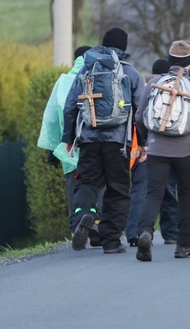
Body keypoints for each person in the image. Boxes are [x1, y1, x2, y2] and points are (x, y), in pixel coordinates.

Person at [62, 28, 146, 253]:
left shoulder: (86, 70)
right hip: (119, 142)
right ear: (124, 47)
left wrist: (69, 138)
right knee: (118, 189)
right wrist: (143, 143)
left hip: (88, 139)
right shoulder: (130, 72)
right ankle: (111, 241)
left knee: (88, 182)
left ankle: (86, 214)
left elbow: (70, 106)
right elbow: (140, 112)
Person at [134, 40, 190, 261]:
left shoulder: (154, 83)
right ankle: (184, 244)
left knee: (153, 194)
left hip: (157, 150)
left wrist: (144, 141)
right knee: (187, 194)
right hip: (186, 152)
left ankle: (145, 232)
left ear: (169, 60)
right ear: (189, 62)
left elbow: (140, 116)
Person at [37, 45, 92, 231]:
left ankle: (76, 224)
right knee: (95, 185)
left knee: (73, 184)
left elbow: (51, 118)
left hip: (69, 147)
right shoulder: (97, 78)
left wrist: (52, 149)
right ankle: (94, 220)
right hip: (95, 144)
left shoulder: (63, 82)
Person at [125, 58, 179, 247]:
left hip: (146, 149)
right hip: (170, 148)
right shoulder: (175, 89)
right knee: (169, 191)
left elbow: (138, 117)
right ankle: (171, 233)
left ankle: (134, 232)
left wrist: (142, 143)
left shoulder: (145, 89)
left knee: (142, 191)